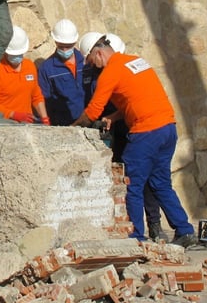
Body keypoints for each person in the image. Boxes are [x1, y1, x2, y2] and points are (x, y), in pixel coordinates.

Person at [73, 34, 196, 247]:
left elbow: (93, 111)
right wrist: (114, 117)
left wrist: (73, 128)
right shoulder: (136, 62)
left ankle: (136, 236)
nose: (92, 66)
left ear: (98, 53)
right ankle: (184, 230)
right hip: (167, 128)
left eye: (91, 61)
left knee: (131, 183)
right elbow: (138, 99)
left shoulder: (110, 72)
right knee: (160, 183)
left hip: (146, 133)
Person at [0, 26, 49, 124]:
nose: (17, 57)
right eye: (13, 55)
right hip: (4, 123)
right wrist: (13, 114)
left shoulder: (29, 66)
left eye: (20, 54)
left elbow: (36, 96)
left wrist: (45, 118)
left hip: (27, 123)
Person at [37, 19, 85, 126]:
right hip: (63, 124)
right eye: (61, 46)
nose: (64, 50)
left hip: (88, 120)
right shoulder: (46, 68)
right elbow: (43, 99)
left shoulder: (86, 62)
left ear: (74, 42)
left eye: (68, 46)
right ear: (55, 42)